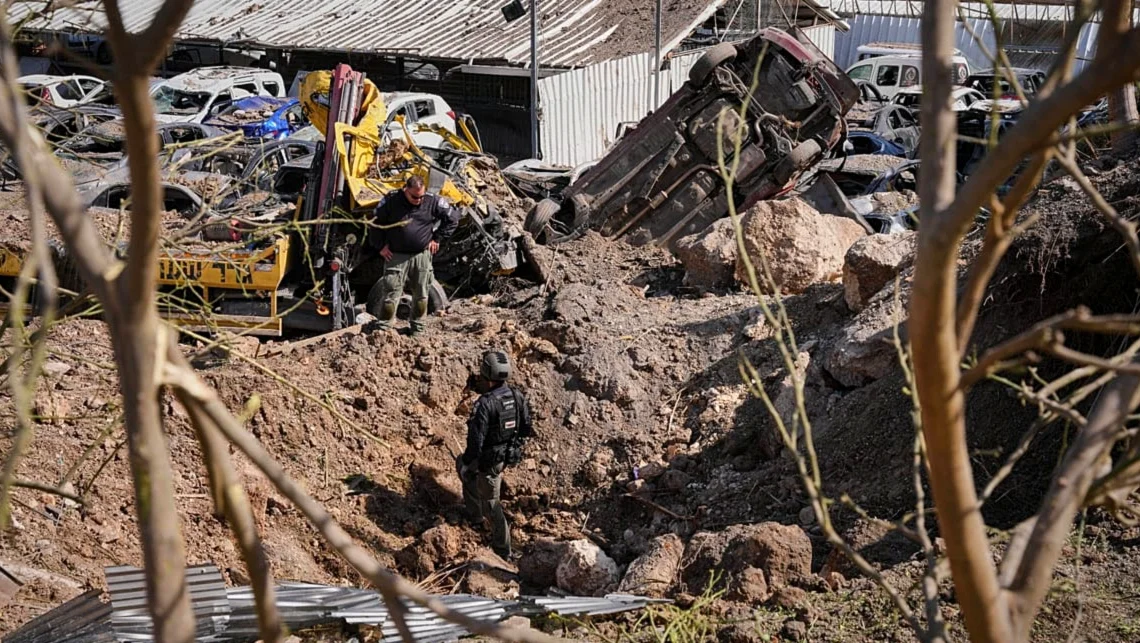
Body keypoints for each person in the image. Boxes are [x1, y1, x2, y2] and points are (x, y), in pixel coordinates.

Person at [457, 350, 534, 558]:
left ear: (486, 373)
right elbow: (527, 427)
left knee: (492, 504)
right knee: (472, 476)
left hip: (489, 461)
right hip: (507, 455)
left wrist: (468, 462)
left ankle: (502, 549)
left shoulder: (485, 403)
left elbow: (475, 441)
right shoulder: (517, 396)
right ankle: (475, 516)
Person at [367, 175, 458, 335]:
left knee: (422, 294)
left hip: (421, 255)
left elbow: (452, 219)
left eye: (421, 196)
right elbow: (375, 221)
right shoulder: (392, 200)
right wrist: (380, 246)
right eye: (414, 197)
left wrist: (437, 239)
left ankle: (418, 330)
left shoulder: (432, 201)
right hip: (396, 256)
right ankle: (384, 330)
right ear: (405, 190)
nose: (418, 200)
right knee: (390, 294)